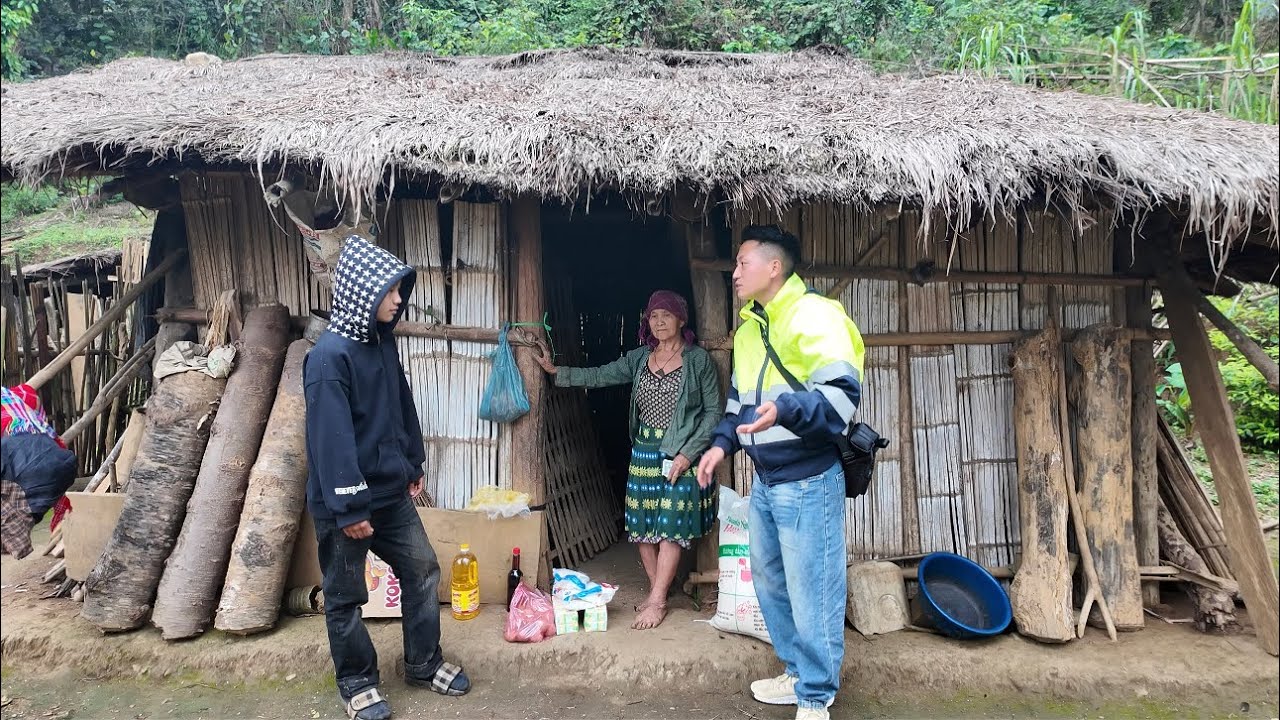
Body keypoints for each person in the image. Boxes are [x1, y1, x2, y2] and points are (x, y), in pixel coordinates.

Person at [696, 225, 865, 720]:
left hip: (810, 480)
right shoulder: (749, 329)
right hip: (766, 483)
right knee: (772, 584)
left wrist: (787, 409)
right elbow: (737, 406)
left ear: (774, 267)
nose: (735, 272)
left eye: (743, 262)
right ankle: (796, 673)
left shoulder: (817, 315)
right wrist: (720, 445)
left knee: (814, 589)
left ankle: (816, 695)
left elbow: (841, 396)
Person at [304, 235, 470, 720]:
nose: (399, 300)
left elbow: (399, 408)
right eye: (391, 291)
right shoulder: (328, 359)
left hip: (389, 494)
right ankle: (357, 682)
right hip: (346, 503)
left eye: (400, 290)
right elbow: (329, 440)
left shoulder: (380, 343)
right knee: (345, 594)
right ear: (362, 291)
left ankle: (422, 663)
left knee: (421, 569)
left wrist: (412, 464)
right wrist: (351, 507)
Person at [536, 290, 722, 630]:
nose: (660, 321)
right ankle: (657, 592)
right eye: (653, 316)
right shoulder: (639, 358)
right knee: (641, 525)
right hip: (644, 452)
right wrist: (556, 372)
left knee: (671, 525)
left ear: (681, 319)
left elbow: (712, 414)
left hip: (681, 451)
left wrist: (686, 454)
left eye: (666, 314)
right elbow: (599, 376)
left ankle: (658, 601)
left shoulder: (698, 361)